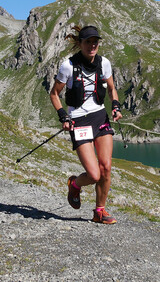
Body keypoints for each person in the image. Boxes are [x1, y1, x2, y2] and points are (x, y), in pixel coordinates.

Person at [49, 25, 123, 224]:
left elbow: (112, 89)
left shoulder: (104, 63)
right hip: (79, 121)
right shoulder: (68, 66)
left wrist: (115, 106)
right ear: (80, 44)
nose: (92, 45)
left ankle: (100, 211)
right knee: (93, 174)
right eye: (88, 42)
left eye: (95, 42)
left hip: (100, 117)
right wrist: (63, 116)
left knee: (106, 167)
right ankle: (74, 184)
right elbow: (54, 94)